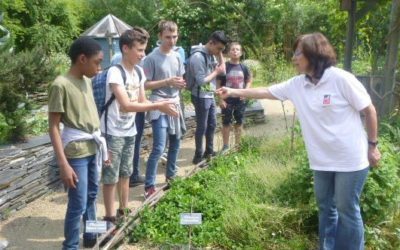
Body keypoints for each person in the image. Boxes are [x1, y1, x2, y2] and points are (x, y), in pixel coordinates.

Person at [217, 32, 381, 250]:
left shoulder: (341, 79)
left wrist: (373, 146)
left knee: (347, 209)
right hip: (321, 160)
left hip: (350, 159)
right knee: (325, 208)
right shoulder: (297, 84)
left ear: (314, 54)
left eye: (298, 53)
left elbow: (369, 110)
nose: (293, 58)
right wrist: (233, 90)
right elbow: (266, 91)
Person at [100, 27, 178, 225]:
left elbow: (142, 102)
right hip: (112, 132)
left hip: (129, 130)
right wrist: (159, 105)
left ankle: (123, 210)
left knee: (126, 173)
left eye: (144, 50)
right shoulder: (115, 73)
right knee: (111, 176)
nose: (143, 54)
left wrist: (158, 104)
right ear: (126, 48)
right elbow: (126, 104)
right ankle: (109, 216)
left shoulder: (138, 73)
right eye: (139, 50)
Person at [48, 37, 105, 249]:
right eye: (97, 62)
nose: (99, 68)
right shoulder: (60, 85)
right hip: (76, 152)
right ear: (82, 59)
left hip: (92, 146)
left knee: (91, 195)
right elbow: (54, 127)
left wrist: (102, 151)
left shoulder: (87, 81)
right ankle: (70, 245)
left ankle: (91, 236)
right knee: (78, 202)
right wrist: (64, 164)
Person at [142, 20, 186, 198]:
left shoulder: (177, 56)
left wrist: (181, 83)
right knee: (159, 146)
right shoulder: (151, 58)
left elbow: (180, 78)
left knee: (176, 142)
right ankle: (149, 185)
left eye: (174, 37)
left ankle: (171, 176)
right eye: (168, 37)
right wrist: (167, 82)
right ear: (160, 36)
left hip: (175, 101)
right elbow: (144, 85)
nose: (172, 40)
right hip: (159, 103)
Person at [187, 30, 228, 164]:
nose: (219, 52)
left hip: (209, 94)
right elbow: (201, 81)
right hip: (200, 95)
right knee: (202, 126)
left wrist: (220, 53)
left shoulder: (211, 54)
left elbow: (223, 71)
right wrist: (216, 71)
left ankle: (209, 151)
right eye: (218, 48)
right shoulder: (198, 57)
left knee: (212, 124)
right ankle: (198, 155)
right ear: (211, 43)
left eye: (222, 49)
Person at [217, 42, 252, 152]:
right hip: (227, 100)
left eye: (237, 49)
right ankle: (226, 146)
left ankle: (238, 145)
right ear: (228, 52)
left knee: (239, 122)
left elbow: (249, 80)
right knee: (226, 123)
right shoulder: (225, 67)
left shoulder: (244, 67)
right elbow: (218, 83)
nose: (235, 51)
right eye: (232, 49)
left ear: (241, 53)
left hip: (240, 100)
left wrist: (245, 92)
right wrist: (220, 98)